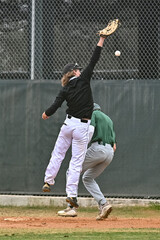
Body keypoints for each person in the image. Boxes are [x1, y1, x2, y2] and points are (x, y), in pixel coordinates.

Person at [42, 36, 106, 208]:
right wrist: (101, 39)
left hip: (67, 125)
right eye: (77, 69)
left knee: (58, 153)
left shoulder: (65, 88)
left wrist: (46, 114)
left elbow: (55, 105)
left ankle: (48, 181)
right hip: (81, 127)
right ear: (75, 72)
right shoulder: (83, 79)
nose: (80, 70)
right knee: (76, 161)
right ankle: (72, 196)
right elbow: (94, 59)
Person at [57, 103, 116, 220]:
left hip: (97, 148)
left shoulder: (93, 114)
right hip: (109, 152)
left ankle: (71, 207)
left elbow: (89, 130)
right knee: (87, 178)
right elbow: (114, 145)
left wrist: (82, 147)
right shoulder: (108, 119)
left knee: (71, 171)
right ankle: (104, 204)